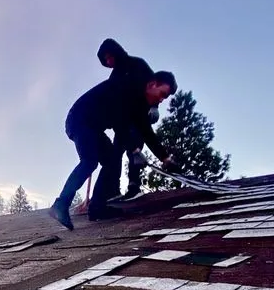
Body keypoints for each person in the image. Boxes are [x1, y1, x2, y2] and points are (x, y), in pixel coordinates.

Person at [49, 71, 178, 230]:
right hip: (79, 120)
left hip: (94, 128)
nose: (161, 100)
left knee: (112, 160)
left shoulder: (139, 103)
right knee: (89, 161)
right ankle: (61, 204)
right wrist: (135, 150)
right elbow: (120, 125)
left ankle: (97, 207)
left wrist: (165, 158)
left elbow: (146, 132)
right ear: (152, 84)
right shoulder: (128, 88)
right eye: (162, 94)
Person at [97, 38, 159, 200]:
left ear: (116, 53)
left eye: (110, 57)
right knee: (116, 152)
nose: (109, 62)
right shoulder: (114, 77)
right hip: (122, 122)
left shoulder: (138, 64)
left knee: (135, 151)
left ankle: (134, 185)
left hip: (139, 117)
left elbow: (154, 85)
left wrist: (154, 106)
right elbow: (111, 102)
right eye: (106, 60)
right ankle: (113, 189)